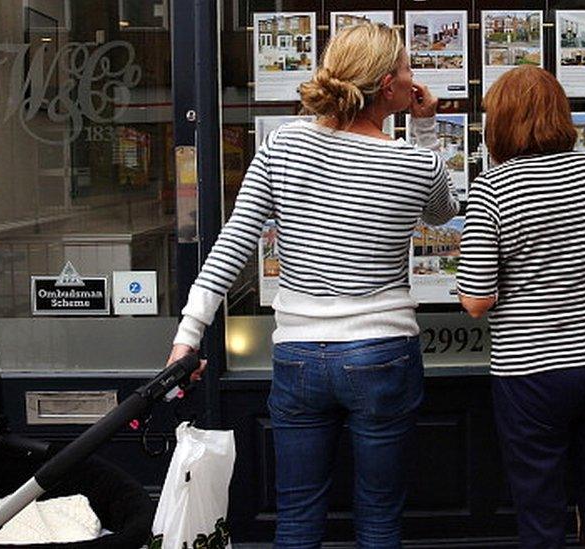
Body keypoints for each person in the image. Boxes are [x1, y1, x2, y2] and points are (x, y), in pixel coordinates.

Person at [165, 22, 458, 548]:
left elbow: (236, 239)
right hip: (382, 352)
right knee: (380, 519)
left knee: (298, 515)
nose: (417, 75)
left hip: (299, 353)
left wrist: (189, 332)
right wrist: (427, 126)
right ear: (390, 84)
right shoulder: (414, 161)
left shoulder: (284, 142)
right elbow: (444, 211)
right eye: (410, 66)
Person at [456, 65, 585, 548]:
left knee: (541, 517)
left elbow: (477, 302)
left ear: (502, 122)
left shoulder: (492, 190)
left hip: (532, 373)